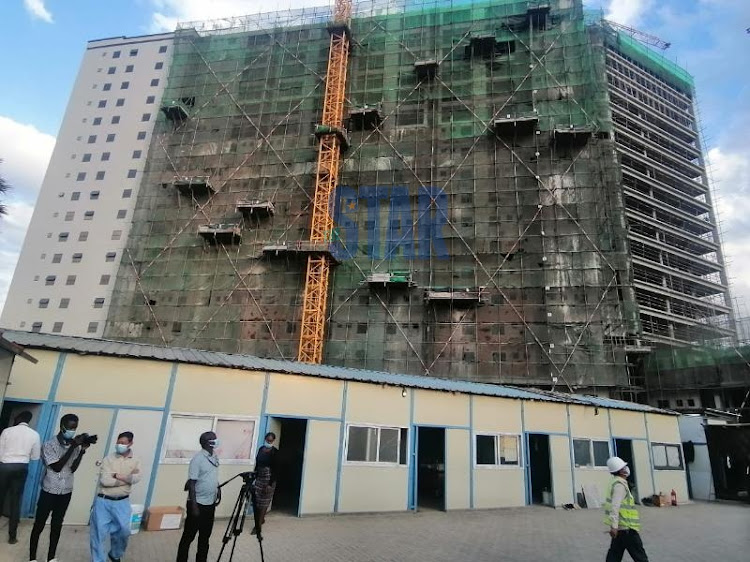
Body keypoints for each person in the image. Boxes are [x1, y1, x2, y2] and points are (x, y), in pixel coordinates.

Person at [29, 413, 91, 562]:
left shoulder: (74, 446)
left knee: (57, 525)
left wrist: (81, 450)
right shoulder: (49, 445)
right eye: (70, 427)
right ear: (62, 427)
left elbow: (73, 468)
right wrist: (72, 448)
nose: (72, 431)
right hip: (49, 491)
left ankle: (51, 557)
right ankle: (32, 558)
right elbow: (57, 467)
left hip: (66, 491)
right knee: (39, 525)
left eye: (75, 428)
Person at [90, 431, 141, 562]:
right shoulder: (108, 459)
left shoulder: (135, 461)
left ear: (130, 443)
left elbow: (137, 478)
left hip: (122, 502)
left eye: (123, 443)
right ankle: (98, 560)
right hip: (104, 501)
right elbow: (105, 481)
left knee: (124, 531)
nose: (119, 445)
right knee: (98, 534)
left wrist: (117, 476)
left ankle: (115, 554)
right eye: (118, 442)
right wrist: (126, 479)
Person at [176, 431, 219, 562]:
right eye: (213, 439)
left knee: (205, 536)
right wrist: (194, 506)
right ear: (207, 442)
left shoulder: (214, 457)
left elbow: (211, 476)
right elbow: (191, 483)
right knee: (189, 536)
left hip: (210, 503)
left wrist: (217, 489)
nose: (216, 440)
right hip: (197, 504)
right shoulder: (198, 459)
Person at [0, 411, 41, 544]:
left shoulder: (7, 431)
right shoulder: (35, 435)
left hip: (5, 466)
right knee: (15, 501)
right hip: (21, 467)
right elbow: (35, 456)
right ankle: (12, 537)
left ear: (18, 418)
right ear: (28, 420)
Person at [603, 456, 650, 562]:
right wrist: (614, 526)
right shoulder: (619, 485)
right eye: (624, 467)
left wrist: (615, 526)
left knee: (614, 556)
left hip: (621, 528)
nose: (626, 469)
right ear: (620, 471)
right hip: (627, 529)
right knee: (640, 557)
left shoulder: (615, 482)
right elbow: (615, 506)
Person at [251, 432, 278, 535]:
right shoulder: (261, 449)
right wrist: (254, 476)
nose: (269, 442)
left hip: (269, 478)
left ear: (273, 441)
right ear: (265, 439)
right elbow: (257, 465)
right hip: (259, 477)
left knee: (264, 503)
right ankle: (260, 519)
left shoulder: (275, 452)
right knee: (257, 501)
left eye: (271, 441)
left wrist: (270, 484)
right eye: (267, 440)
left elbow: (276, 470)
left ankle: (258, 526)